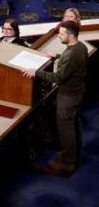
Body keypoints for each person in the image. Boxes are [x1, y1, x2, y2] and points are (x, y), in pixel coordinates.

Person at [22, 21, 88, 175]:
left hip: (68, 97)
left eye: (62, 33)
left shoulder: (71, 54)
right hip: (77, 93)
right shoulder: (80, 46)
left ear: (71, 35)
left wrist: (36, 72)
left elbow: (58, 77)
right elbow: (71, 61)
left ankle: (67, 163)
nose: (59, 35)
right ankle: (72, 154)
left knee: (66, 130)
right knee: (73, 126)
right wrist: (57, 56)